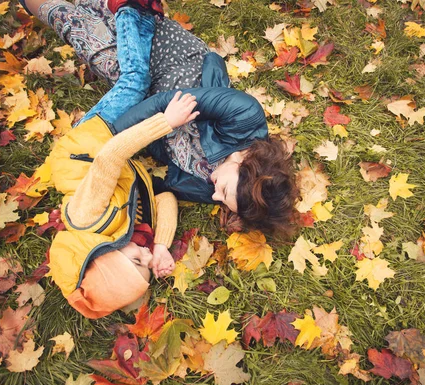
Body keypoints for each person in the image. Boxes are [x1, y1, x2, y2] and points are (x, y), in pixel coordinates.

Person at [19, 0, 299, 238]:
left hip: (140, 90)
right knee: (103, 12)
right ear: (245, 164)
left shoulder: (212, 186)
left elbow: (157, 183)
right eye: (224, 192)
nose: (215, 197)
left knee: (77, 28)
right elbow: (165, 103)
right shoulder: (246, 115)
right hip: (167, 56)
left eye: (223, 202)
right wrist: (107, 135)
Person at [46, 2, 199, 318]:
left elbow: (109, 157)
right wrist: (161, 246)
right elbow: (164, 196)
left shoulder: (88, 219)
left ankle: (128, 9)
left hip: (94, 143)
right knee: (135, 82)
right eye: (147, 264)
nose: (144, 254)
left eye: (136, 260)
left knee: (135, 81)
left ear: (105, 257)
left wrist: (166, 123)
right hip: (116, 151)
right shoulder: (134, 237)